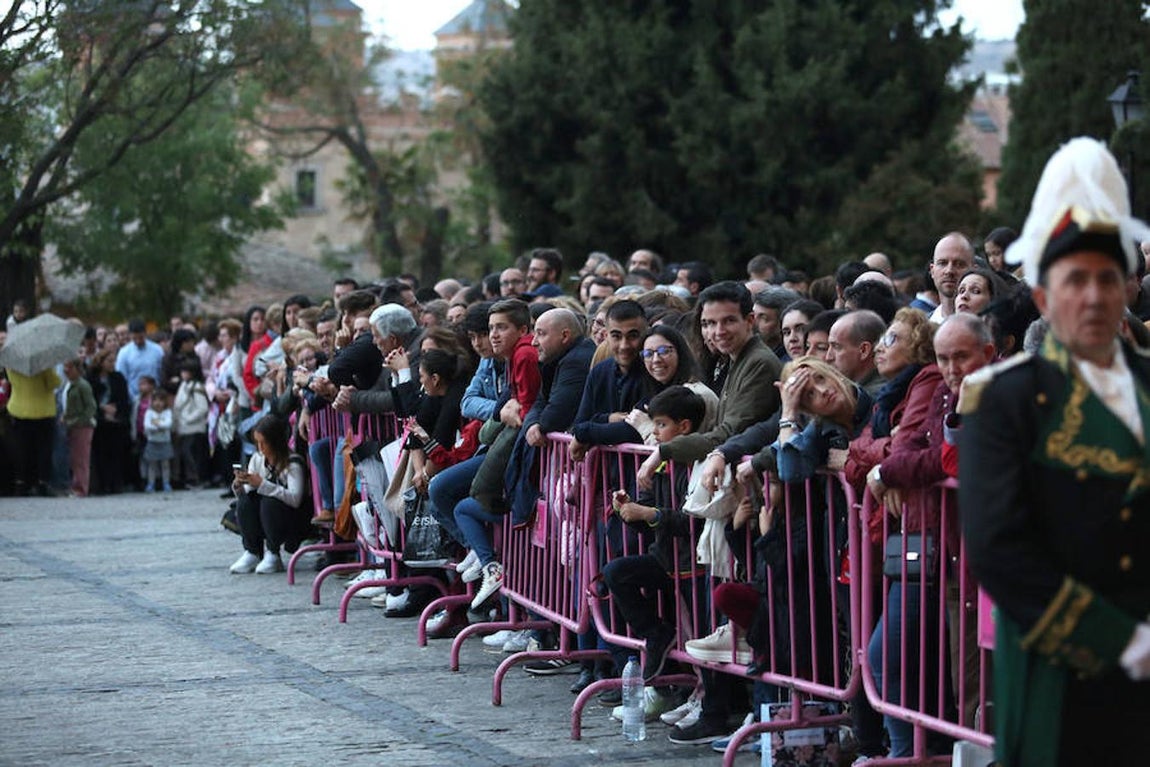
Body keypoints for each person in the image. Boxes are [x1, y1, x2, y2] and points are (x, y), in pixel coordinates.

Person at [960, 137, 1150, 766]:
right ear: (1042, 297)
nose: (1093, 297)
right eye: (1074, 281)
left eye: (1107, 279)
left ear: (1127, 289)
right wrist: (1121, 642)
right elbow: (999, 549)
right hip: (1061, 673)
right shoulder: (1008, 400)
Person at [603, 386, 708, 711]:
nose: (655, 433)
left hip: (696, 565)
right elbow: (646, 516)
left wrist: (650, 514)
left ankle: (708, 699)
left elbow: (696, 522)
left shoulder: (698, 467)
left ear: (684, 427)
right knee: (616, 572)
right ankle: (657, 632)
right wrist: (628, 509)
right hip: (664, 558)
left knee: (701, 636)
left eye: (661, 425)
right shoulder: (658, 466)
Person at [229, 414, 311, 575]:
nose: (260, 448)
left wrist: (262, 484)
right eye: (257, 442)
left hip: (291, 518)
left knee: (269, 501)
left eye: (263, 443)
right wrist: (240, 484)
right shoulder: (258, 459)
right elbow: (249, 493)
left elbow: (295, 499)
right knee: (246, 501)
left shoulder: (292, 463)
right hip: (263, 515)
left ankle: (273, 552)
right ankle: (252, 551)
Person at [87, 348, 131, 494]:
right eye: (109, 361)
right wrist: (101, 410)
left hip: (116, 421)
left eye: (114, 361)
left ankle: (115, 483)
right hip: (98, 420)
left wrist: (116, 409)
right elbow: (89, 400)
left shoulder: (118, 378)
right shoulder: (91, 378)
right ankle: (101, 484)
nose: (113, 364)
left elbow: (124, 399)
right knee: (100, 453)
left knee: (115, 453)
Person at [61, 358, 97, 497]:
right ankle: (75, 484)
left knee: (81, 458)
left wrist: (80, 420)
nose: (66, 370)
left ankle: (81, 488)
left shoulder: (83, 385)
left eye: (69, 367)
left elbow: (90, 407)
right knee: (75, 458)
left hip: (82, 426)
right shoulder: (69, 384)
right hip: (72, 425)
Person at [928, 233, 976, 324]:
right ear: (932, 270)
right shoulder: (921, 330)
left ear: (974, 270)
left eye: (959, 264)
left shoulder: (989, 329)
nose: (949, 271)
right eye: (942, 263)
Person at [115, 318, 164, 399]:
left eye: (140, 338)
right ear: (130, 335)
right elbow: (122, 378)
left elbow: (160, 373)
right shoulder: (124, 353)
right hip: (133, 397)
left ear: (145, 333)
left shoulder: (157, 350)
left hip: (155, 397)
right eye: (134, 338)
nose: (138, 341)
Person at [142, 389, 174, 493]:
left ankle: (166, 483)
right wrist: (160, 426)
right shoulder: (149, 412)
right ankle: (151, 483)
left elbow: (168, 424)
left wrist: (156, 423)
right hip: (152, 442)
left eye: (161, 400)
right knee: (152, 465)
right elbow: (147, 426)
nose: (158, 403)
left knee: (165, 464)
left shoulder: (167, 412)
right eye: (155, 400)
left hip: (165, 442)